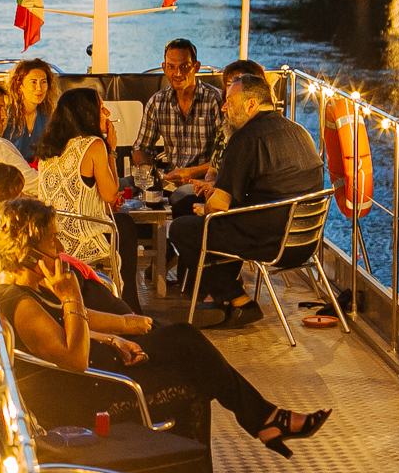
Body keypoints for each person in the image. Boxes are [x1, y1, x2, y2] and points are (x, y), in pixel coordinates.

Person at [0, 198, 331, 473]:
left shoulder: (31, 287)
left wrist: (116, 334)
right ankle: (258, 426)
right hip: (89, 400)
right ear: (29, 252)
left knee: (191, 362)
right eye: (52, 239)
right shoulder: (20, 304)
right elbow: (74, 360)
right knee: (187, 346)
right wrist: (72, 294)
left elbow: (69, 324)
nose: (61, 246)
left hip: (100, 374)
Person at [168, 73, 325, 326]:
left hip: (268, 242)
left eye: (230, 100)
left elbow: (219, 205)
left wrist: (205, 209)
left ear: (251, 104)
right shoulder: (300, 131)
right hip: (304, 240)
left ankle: (239, 300)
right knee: (191, 206)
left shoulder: (245, 139)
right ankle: (218, 294)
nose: (223, 107)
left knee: (182, 228)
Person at [0, 161, 126, 317]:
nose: (26, 198)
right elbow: (62, 316)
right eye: (19, 196)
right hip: (96, 320)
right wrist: (123, 326)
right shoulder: (22, 263)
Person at [31, 87, 122, 293]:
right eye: (101, 108)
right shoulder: (94, 144)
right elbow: (110, 195)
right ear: (87, 113)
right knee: (126, 228)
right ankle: (127, 304)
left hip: (52, 237)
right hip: (83, 240)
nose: (106, 113)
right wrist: (112, 150)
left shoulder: (48, 149)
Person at [166, 58, 271, 217]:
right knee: (182, 199)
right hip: (221, 188)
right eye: (230, 83)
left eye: (240, 82)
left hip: (239, 201)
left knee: (183, 207)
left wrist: (215, 190)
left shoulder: (254, 133)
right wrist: (209, 182)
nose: (233, 86)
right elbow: (213, 167)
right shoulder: (228, 123)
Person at [134, 39, 223, 182]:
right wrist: (145, 170)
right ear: (164, 68)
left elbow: (228, 154)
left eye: (184, 66)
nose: (177, 73)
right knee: (123, 186)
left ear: (196, 67)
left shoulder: (215, 100)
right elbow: (141, 148)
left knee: (181, 197)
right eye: (171, 67)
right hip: (170, 181)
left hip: (206, 182)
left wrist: (192, 172)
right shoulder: (157, 102)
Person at [2, 59, 58, 162]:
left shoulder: (47, 116)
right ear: (19, 86)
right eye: (33, 82)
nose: (39, 88)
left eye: (43, 82)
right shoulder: (6, 115)